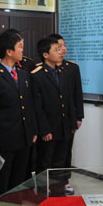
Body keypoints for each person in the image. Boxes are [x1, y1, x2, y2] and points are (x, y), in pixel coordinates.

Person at [0, 29, 37, 201]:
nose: (23, 50)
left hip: (24, 137)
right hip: (5, 140)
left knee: (18, 182)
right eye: (20, 47)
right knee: (1, 184)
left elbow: (28, 106)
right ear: (9, 51)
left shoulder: (23, 74)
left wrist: (32, 130)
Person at [31, 37, 74, 179]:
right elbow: (37, 106)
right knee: (45, 164)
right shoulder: (37, 75)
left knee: (61, 164)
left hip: (64, 127)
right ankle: (44, 196)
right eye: (56, 50)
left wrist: (72, 123)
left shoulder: (63, 73)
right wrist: (44, 129)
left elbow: (68, 100)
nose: (60, 52)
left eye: (60, 49)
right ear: (45, 55)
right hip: (49, 129)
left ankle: (59, 195)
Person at [48, 33, 83, 194]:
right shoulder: (45, 69)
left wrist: (79, 117)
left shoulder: (72, 68)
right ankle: (51, 184)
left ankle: (65, 180)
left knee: (67, 151)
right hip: (53, 120)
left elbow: (77, 94)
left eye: (63, 46)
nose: (63, 49)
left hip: (70, 118)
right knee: (53, 154)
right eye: (58, 47)